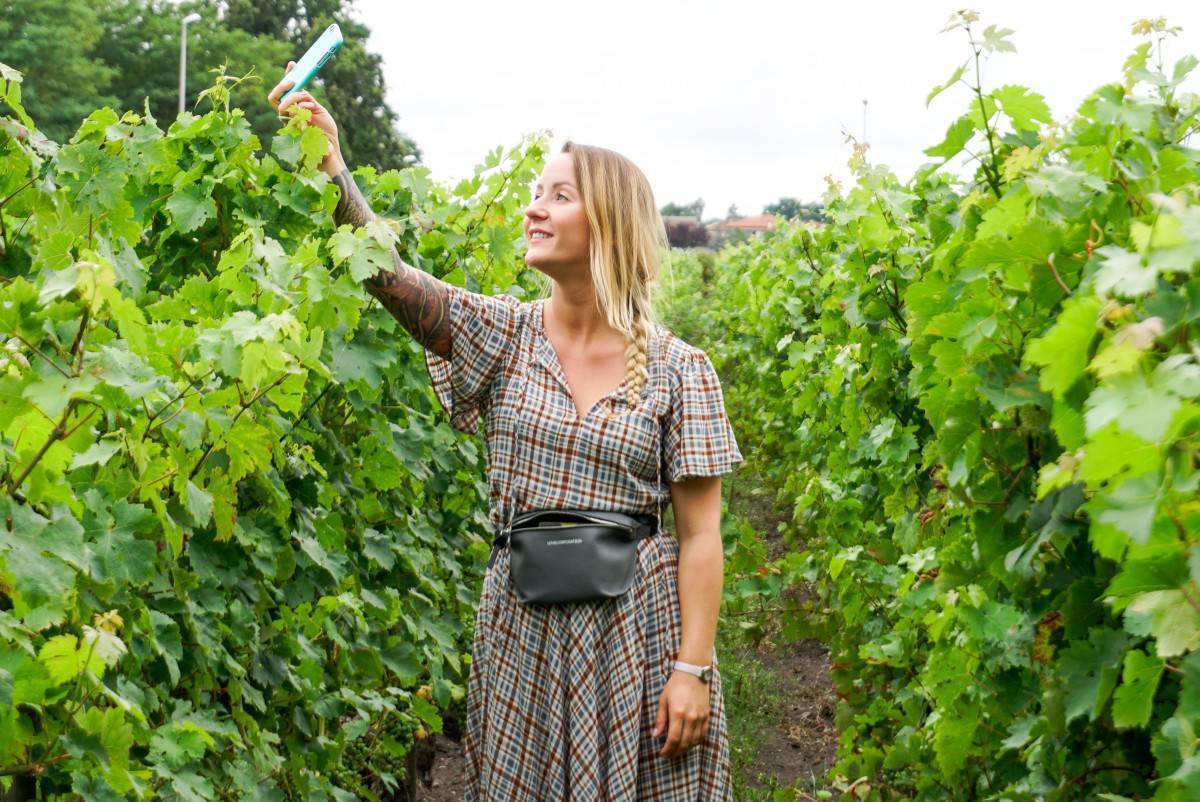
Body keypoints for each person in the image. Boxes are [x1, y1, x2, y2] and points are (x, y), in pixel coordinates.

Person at [268, 64, 744, 801]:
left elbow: (701, 536)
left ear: (609, 222)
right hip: (523, 634)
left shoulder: (682, 370)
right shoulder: (503, 334)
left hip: (637, 639)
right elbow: (386, 275)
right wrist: (333, 165)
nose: (533, 209)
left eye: (559, 196)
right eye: (534, 193)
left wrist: (693, 668)